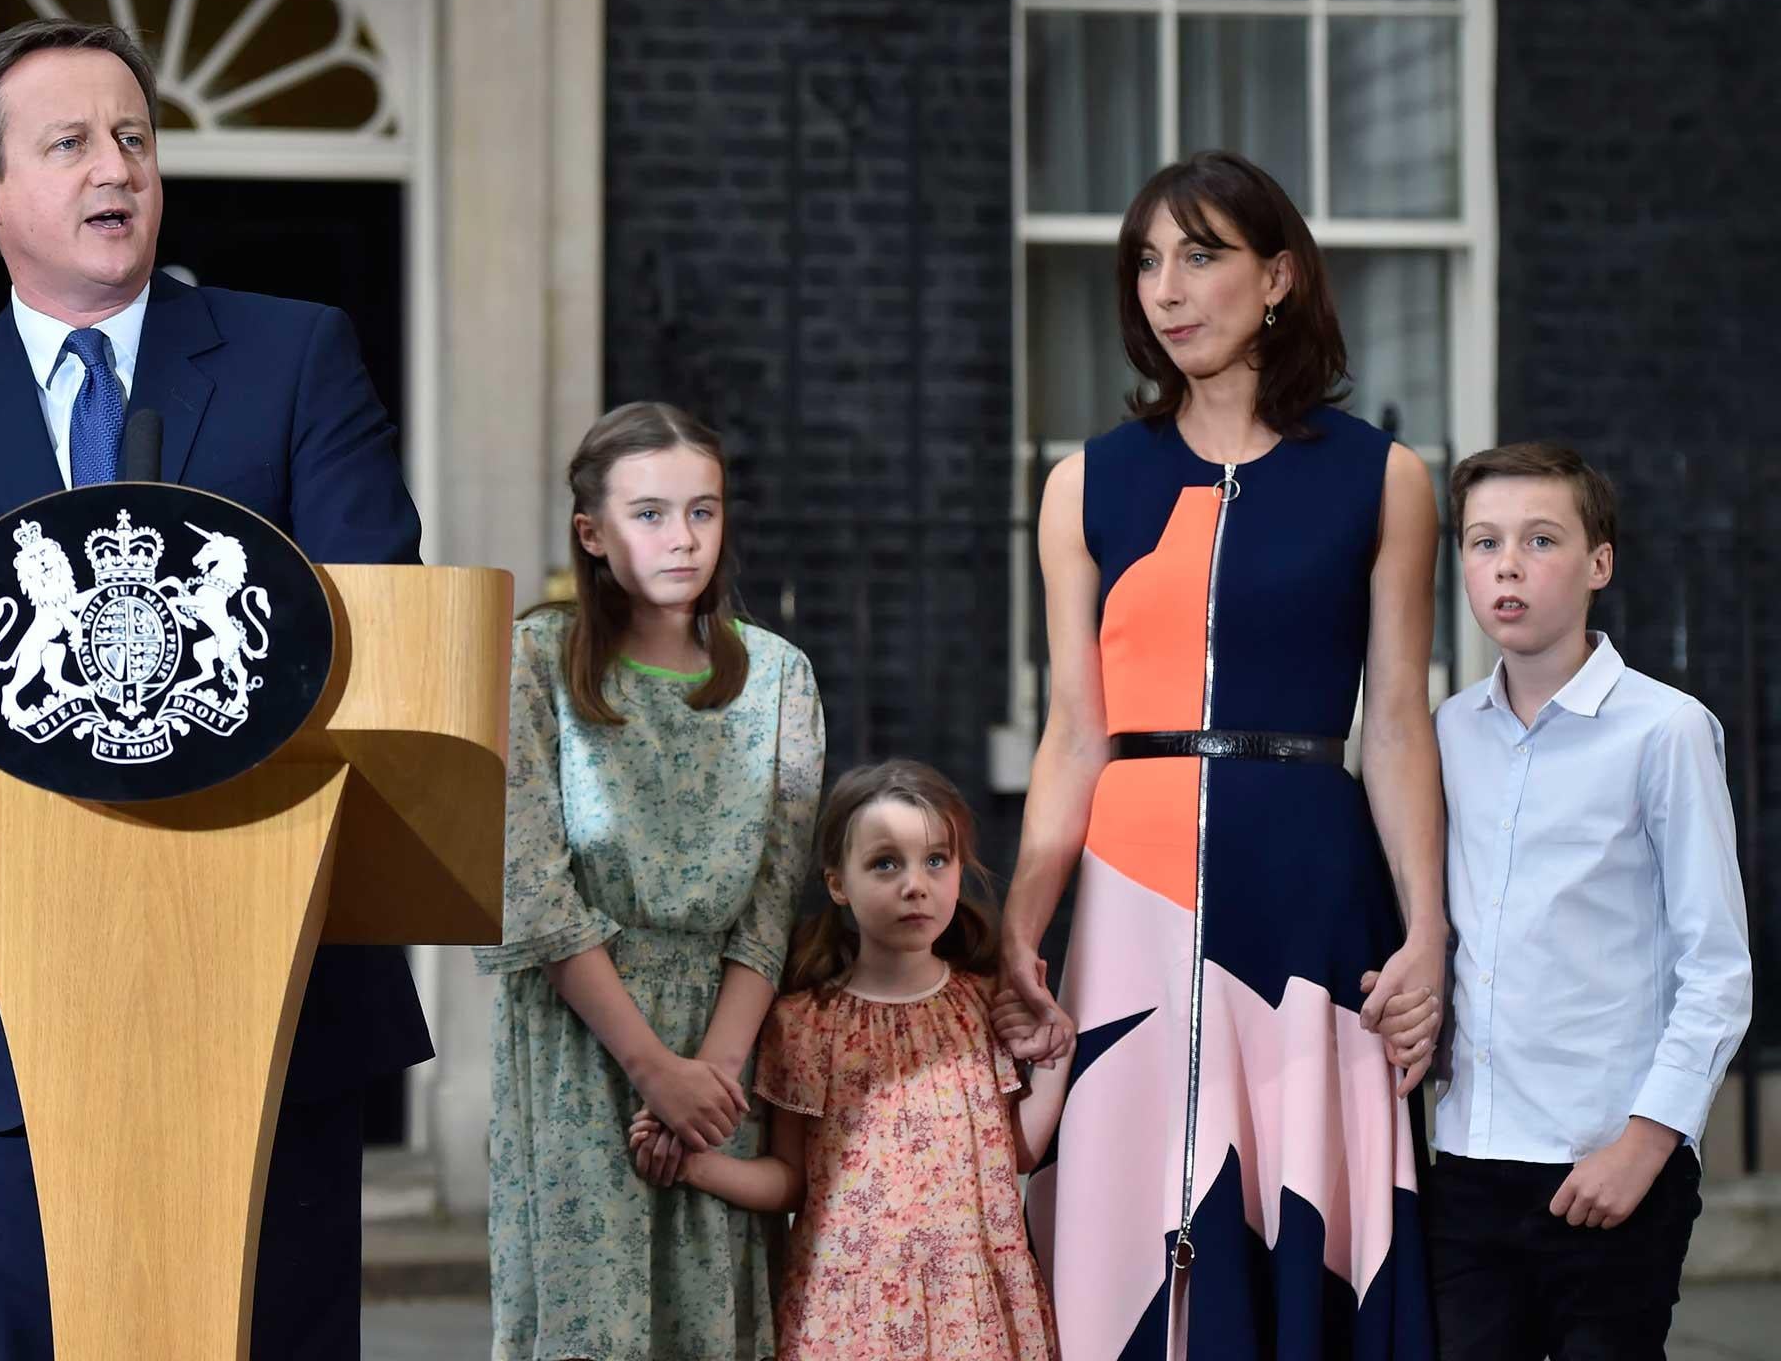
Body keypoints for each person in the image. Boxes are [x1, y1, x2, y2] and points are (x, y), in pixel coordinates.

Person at [0, 18, 429, 1359]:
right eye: (70, 145)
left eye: (134, 139)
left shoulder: (293, 356)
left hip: (267, 978)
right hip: (10, 992)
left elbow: (377, 615)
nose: (118, 168)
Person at [992, 150, 1440, 1356]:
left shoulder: (1382, 480)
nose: (1166, 288)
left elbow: (1394, 721)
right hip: (1132, 896)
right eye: (1146, 261)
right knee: (1127, 1220)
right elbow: (1072, 731)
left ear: (1278, 276)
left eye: (1201, 255)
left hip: (1305, 893)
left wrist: (1427, 931)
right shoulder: (1083, 484)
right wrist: (1021, 929)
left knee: (1285, 1218)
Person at [1374, 443, 1751, 1360]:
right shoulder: (1442, 737)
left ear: (1598, 562)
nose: (1507, 564)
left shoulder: (1666, 732)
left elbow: (1717, 969)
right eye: (1482, 541)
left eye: (1541, 540)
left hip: (1609, 1160)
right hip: (1469, 1164)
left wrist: (1647, 1144)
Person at [476, 401, 825, 1361]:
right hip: (581, 1039)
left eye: (703, 512)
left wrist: (707, 1077)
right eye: (651, 513)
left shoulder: (780, 678)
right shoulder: (534, 660)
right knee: (590, 1326)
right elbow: (529, 891)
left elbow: (769, 906)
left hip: (720, 1041)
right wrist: (649, 1069)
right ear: (592, 532)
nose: (684, 538)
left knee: (709, 1322)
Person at [630, 758, 1063, 1361]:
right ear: (838, 883)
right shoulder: (804, 1024)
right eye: (885, 863)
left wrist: (1056, 1047)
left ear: (959, 871)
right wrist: (693, 1167)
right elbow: (792, 1181)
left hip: (975, 1314)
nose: (915, 884)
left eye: (936, 860)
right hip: (847, 1316)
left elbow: (1017, 1151)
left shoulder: (984, 1006)